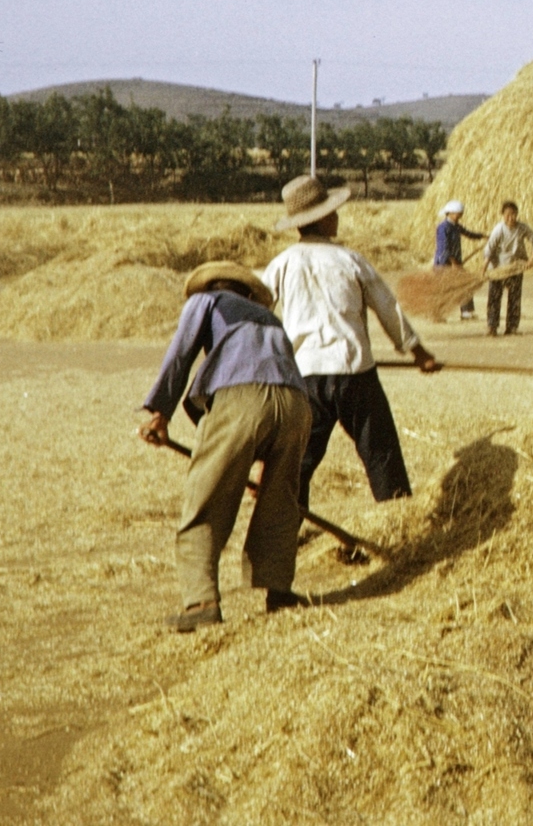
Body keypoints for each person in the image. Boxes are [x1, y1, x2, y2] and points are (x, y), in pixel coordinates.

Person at [136, 260, 313, 632]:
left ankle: (201, 601)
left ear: (212, 286)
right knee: (280, 499)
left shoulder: (205, 301)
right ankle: (278, 590)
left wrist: (158, 412)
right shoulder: (270, 320)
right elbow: (278, 384)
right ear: (248, 294)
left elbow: (180, 355)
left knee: (207, 497)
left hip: (241, 397)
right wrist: (264, 459)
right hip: (297, 405)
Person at [260, 174, 439, 509]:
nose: (338, 216)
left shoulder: (281, 265)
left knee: (297, 463)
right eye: (334, 212)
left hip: (307, 377)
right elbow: (388, 309)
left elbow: (257, 311)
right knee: (381, 453)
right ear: (324, 218)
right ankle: (397, 516)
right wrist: (418, 352)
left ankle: (282, 528)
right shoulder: (350, 261)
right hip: (355, 373)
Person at [482, 200, 533, 337]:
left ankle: (512, 327)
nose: (511, 218)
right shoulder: (499, 229)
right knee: (494, 298)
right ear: (502, 215)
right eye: (507, 215)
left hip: (515, 268)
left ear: (517, 214)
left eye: (513, 214)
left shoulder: (522, 228)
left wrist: (531, 259)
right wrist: (484, 269)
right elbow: (489, 250)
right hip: (498, 268)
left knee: (514, 298)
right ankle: (492, 327)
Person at [433, 200, 485, 320]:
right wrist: (453, 263)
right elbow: (444, 248)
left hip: (454, 262)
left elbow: (468, 233)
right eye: (457, 214)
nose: (459, 216)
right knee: (443, 289)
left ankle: (466, 312)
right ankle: (438, 313)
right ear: (450, 213)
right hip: (443, 264)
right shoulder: (443, 228)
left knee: (465, 284)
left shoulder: (455, 226)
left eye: (460, 214)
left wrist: (482, 236)